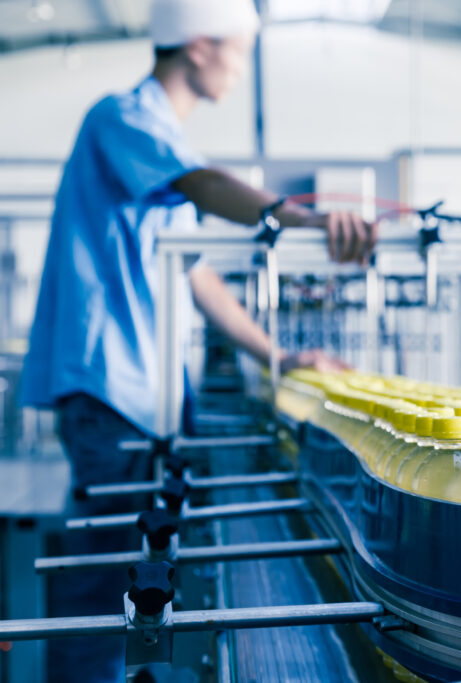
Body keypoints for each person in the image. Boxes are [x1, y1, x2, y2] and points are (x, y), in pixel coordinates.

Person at [18, 1, 375, 679]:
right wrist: (301, 218)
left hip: (135, 395)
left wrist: (280, 355)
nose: (241, 71)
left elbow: (198, 275)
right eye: (240, 52)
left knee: (132, 578)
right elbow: (204, 185)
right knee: (101, 590)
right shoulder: (121, 120)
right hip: (108, 390)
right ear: (199, 45)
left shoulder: (156, 147)